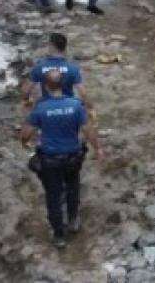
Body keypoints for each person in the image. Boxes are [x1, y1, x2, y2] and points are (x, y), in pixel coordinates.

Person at [21, 69, 102, 249]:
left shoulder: (40, 108)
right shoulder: (76, 106)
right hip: (73, 156)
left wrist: (24, 142)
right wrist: (98, 148)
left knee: (53, 196)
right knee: (72, 188)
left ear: (45, 86)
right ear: (63, 84)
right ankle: (73, 220)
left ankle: (59, 235)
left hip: (50, 159)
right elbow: (87, 130)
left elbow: (26, 134)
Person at [22, 33, 92, 107]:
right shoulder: (72, 67)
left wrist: (26, 101)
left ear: (51, 46)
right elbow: (83, 93)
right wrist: (90, 108)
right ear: (65, 47)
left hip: (47, 106)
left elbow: (26, 89)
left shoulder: (39, 66)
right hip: (68, 105)